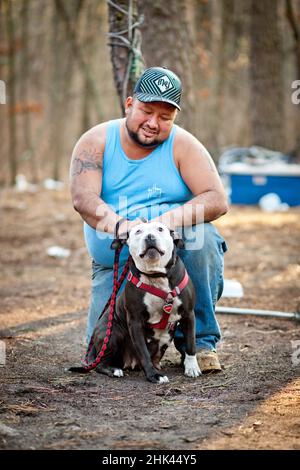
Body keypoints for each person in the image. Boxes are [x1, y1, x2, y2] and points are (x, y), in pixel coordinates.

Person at [70, 66, 228, 373]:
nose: (154, 123)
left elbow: (216, 198)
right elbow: (83, 199)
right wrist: (123, 228)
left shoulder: (185, 145)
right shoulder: (96, 141)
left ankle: (200, 343)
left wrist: (168, 220)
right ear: (129, 104)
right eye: (146, 111)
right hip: (117, 264)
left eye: (165, 117)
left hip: (172, 259)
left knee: (204, 238)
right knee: (103, 354)